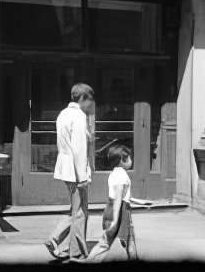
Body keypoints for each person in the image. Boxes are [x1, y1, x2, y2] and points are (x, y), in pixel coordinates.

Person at [45, 83, 95, 262]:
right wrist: (82, 176)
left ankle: (59, 240)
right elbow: (79, 149)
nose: (91, 104)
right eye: (90, 99)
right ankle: (76, 251)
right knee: (80, 211)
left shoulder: (63, 114)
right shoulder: (79, 116)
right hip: (75, 170)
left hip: (65, 166)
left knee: (75, 209)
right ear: (83, 98)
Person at [85, 144, 145, 262]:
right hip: (120, 212)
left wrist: (140, 202)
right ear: (122, 160)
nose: (131, 161)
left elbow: (122, 195)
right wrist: (115, 220)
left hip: (114, 208)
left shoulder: (115, 173)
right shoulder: (121, 175)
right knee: (121, 242)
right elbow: (118, 198)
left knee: (114, 242)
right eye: (129, 158)